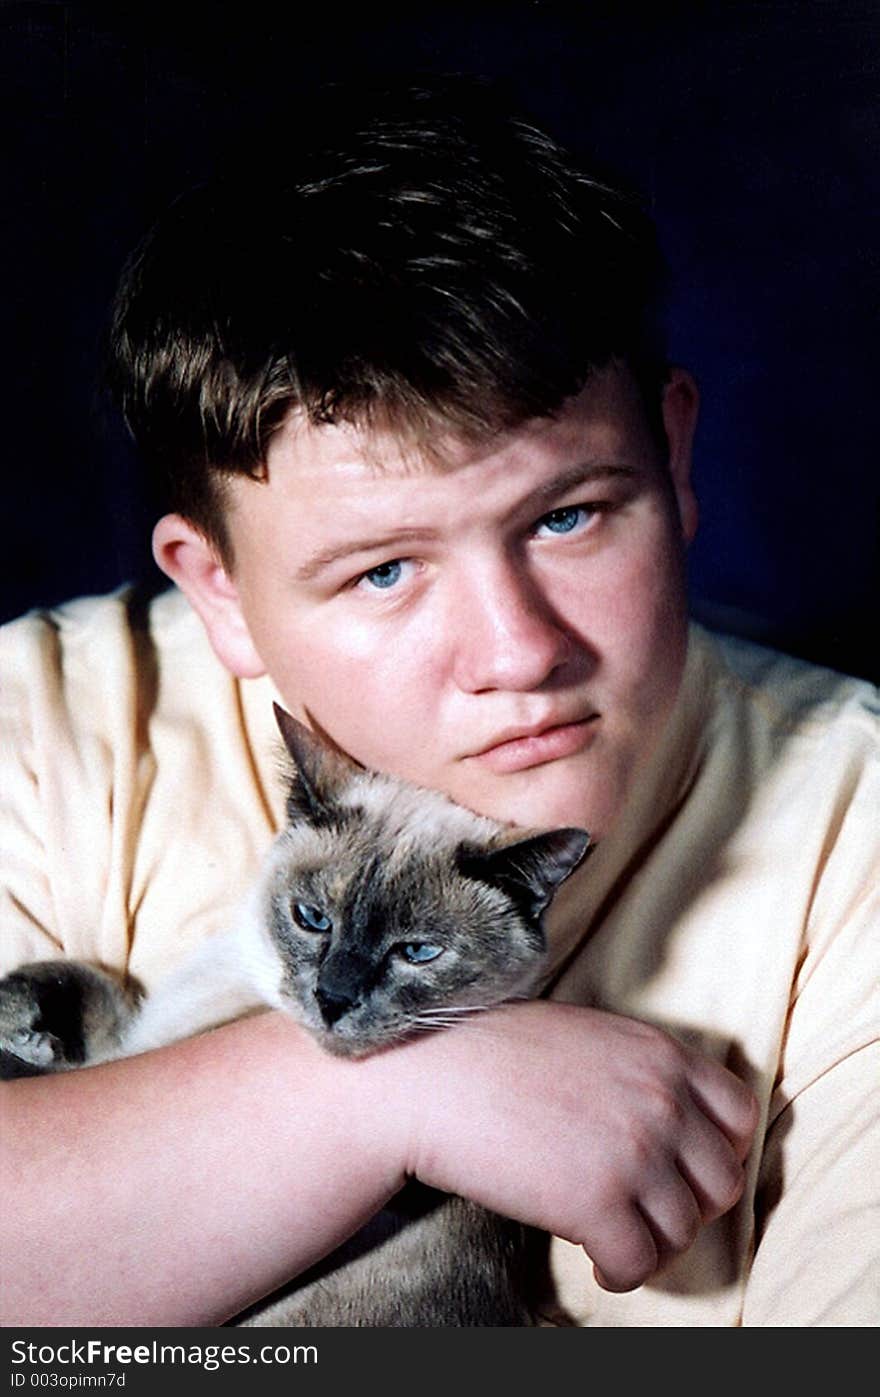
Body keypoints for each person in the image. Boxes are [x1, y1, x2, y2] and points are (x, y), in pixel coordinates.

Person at [1, 76, 876, 1328]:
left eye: (568, 515)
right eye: (385, 569)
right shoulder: (40, 724)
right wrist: (375, 1093)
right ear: (222, 594)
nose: (518, 651)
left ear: (674, 465)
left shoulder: (859, 847)